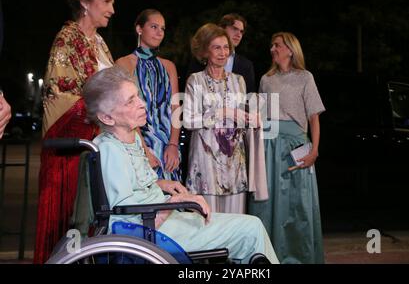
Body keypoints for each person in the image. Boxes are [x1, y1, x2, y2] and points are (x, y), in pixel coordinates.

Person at [82, 65, 279, 264]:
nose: (142, 104)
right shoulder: (109, 150)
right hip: (152, 232)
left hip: (160, 219)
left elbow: (132, 184)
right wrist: (176, 202)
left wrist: (162, 184)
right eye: (130, 101)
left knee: (247, 227)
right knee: (251, 229)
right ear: (107, 117)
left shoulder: (129, 138)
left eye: (138, 97)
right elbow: (123, 217)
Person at [34, 0, 115, 264]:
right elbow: (62, 98)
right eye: (106, 2)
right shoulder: (66, 39)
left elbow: (114, 90)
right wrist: (107, 113)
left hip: (99, 148)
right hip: (72, 155)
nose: (112, 9)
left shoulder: (100, 42)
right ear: (84, 2)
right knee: (69, 228)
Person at [247, 32, 325, 264]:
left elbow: (314, 118)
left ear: (290, 49)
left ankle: (301, 257)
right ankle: (269, 258)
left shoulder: (305, 77)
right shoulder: (266, 79)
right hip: (268, 147)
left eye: (277, 45)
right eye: (272, 45)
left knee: (297, 205)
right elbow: (260, 116)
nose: (273, 49)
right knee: (267, 202)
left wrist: (314, 150)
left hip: (295, 144)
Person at [184, 23, 257, 214]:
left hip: (234, 164)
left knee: (235, 224)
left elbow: (241, 120)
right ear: (205, 51)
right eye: (216, 47)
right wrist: (222, 112)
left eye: (226, 47)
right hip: (205, 163)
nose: (223, 52)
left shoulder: (238, 80)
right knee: (208, 225)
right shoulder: (195, 80)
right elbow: (188, 121)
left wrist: (252, 119)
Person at [116, 9, 182, 183]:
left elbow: (176, 108)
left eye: (162, 28)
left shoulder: (169, 66)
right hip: (137, 142)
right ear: (139, 29)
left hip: (168, 147)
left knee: (173, 200)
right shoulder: (124, 63)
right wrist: (144, 150)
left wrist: (173, 145)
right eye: (154, 26)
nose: (159, 32)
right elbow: (124, 112)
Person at [188, 13, 256, 93]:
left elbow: (250, 100)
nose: (239, 34)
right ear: (222, 28)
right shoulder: (197, 64)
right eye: (234, 29)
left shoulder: (246, 66)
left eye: (241, 31)